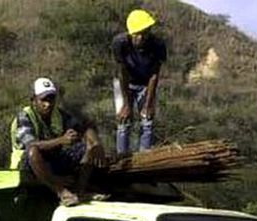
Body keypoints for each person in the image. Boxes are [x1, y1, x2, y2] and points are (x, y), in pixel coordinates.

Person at [10, 77, 106, 207]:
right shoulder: (25, 117)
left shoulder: (58, 114)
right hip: (28, 166)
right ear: (34, 100)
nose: (48, 104)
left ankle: (79, 191)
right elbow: (31, 144)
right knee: (33, 151)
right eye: (43, 100)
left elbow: (84, 127)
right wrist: (61, 140)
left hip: (53, 160)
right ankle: (61, 191)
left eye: (51, 99)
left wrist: (96, 143)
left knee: (88, 147)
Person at [112, 9, 166, 155]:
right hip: (124, 83)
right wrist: (126, 104)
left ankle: (144, 157)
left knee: (147, 121)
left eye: (145, 33)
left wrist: (148, 104)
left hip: (146, 83)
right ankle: (121, 158)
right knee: (124, 121)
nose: (141, 37)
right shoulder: (120, 43)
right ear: (130, 33)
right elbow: (122, 73)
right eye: (137, 34)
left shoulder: (158, 45)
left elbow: (155, 74)